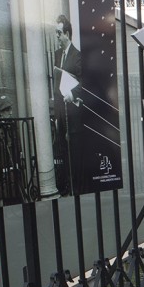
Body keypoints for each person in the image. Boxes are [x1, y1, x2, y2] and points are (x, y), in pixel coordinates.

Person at [53, 14, 83, 195]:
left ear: (67, 34)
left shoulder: (77, 56)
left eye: (58, 33)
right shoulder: (57, 55)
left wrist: (72, 93)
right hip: (60, 112)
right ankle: (65, 188)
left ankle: (77, 189)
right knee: (62, 152)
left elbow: (84, 82)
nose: (56, 36)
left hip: (73, 113)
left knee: (75, 154)